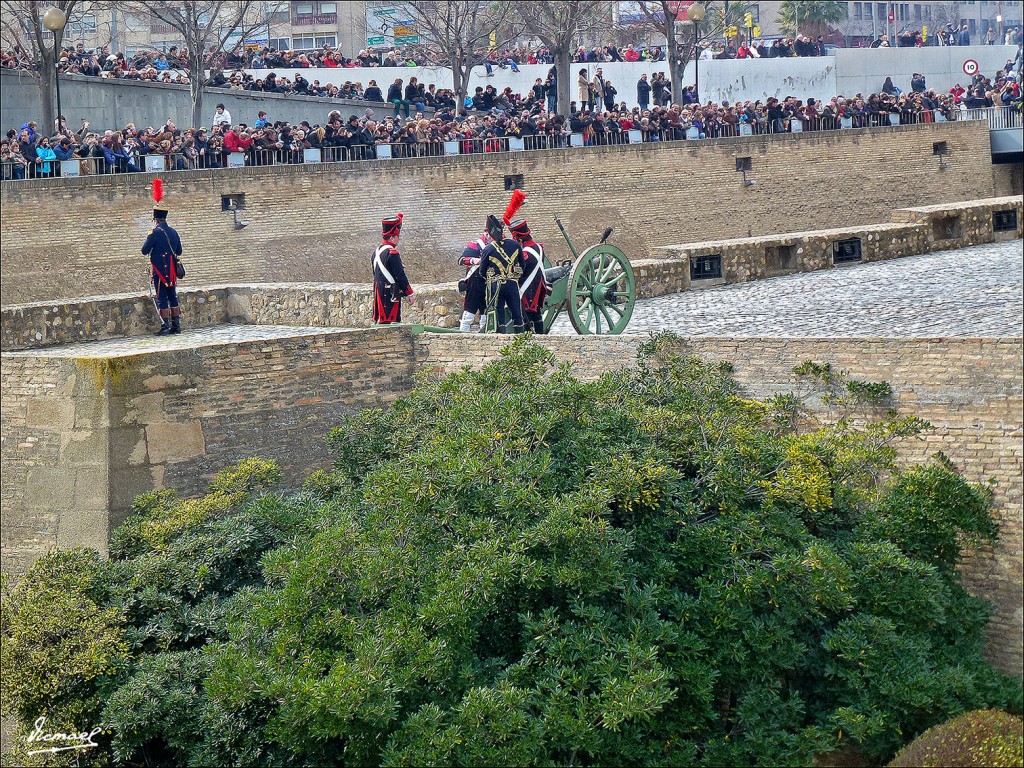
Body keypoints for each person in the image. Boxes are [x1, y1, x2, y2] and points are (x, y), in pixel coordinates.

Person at [141, 187, 184, 335]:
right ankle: (176, 325)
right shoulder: (173, 232)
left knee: (162, 296)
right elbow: (179, 251)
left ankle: (165, 326)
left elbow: (144, 250)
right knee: (172, 294)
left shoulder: (154, 233)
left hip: (160, 269)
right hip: (171, 269)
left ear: (155, 220)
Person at [372, 213, 415, 324]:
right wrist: (409, 293)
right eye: (397, 237)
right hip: (390, 293)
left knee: (383, 322)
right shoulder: (392, 252)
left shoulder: (375, 252)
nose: (398, 239)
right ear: (391, 237)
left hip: (379, 293)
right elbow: (399, 275)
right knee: (392, 323)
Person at [509, 217, 549, 334]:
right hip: (537, 287)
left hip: (527, 290)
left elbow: (518, 273)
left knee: (527, 316)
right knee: (536, 315)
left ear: (517, 236)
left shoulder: (525, 254)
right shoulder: (538, 248)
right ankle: (541, 338)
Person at [457, 229, 491, 332]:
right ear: (486, 233)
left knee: (486, 310)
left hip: (489, 282)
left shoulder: (498, 244)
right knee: (470, 309)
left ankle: (485, 331)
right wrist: (473, 260)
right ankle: (463, 333)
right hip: (475, 282)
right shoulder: (475, 244)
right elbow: (461, 260)